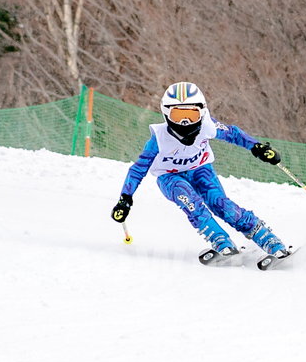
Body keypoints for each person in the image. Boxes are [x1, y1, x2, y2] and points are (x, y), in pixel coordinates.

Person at [111, 81, 290, 264]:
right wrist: (125, 199)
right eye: (178, 114)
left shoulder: (207, 126)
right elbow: (138, 169)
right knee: (192, 204)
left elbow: (233, 134)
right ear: (166, 113)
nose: (185, 122)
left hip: (200, 169)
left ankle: (268, 239)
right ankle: (220, 240)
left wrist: (258, 147)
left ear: (202, 112)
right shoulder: (159, 138)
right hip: (170, 177)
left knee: (221, 205)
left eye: (191, 114)